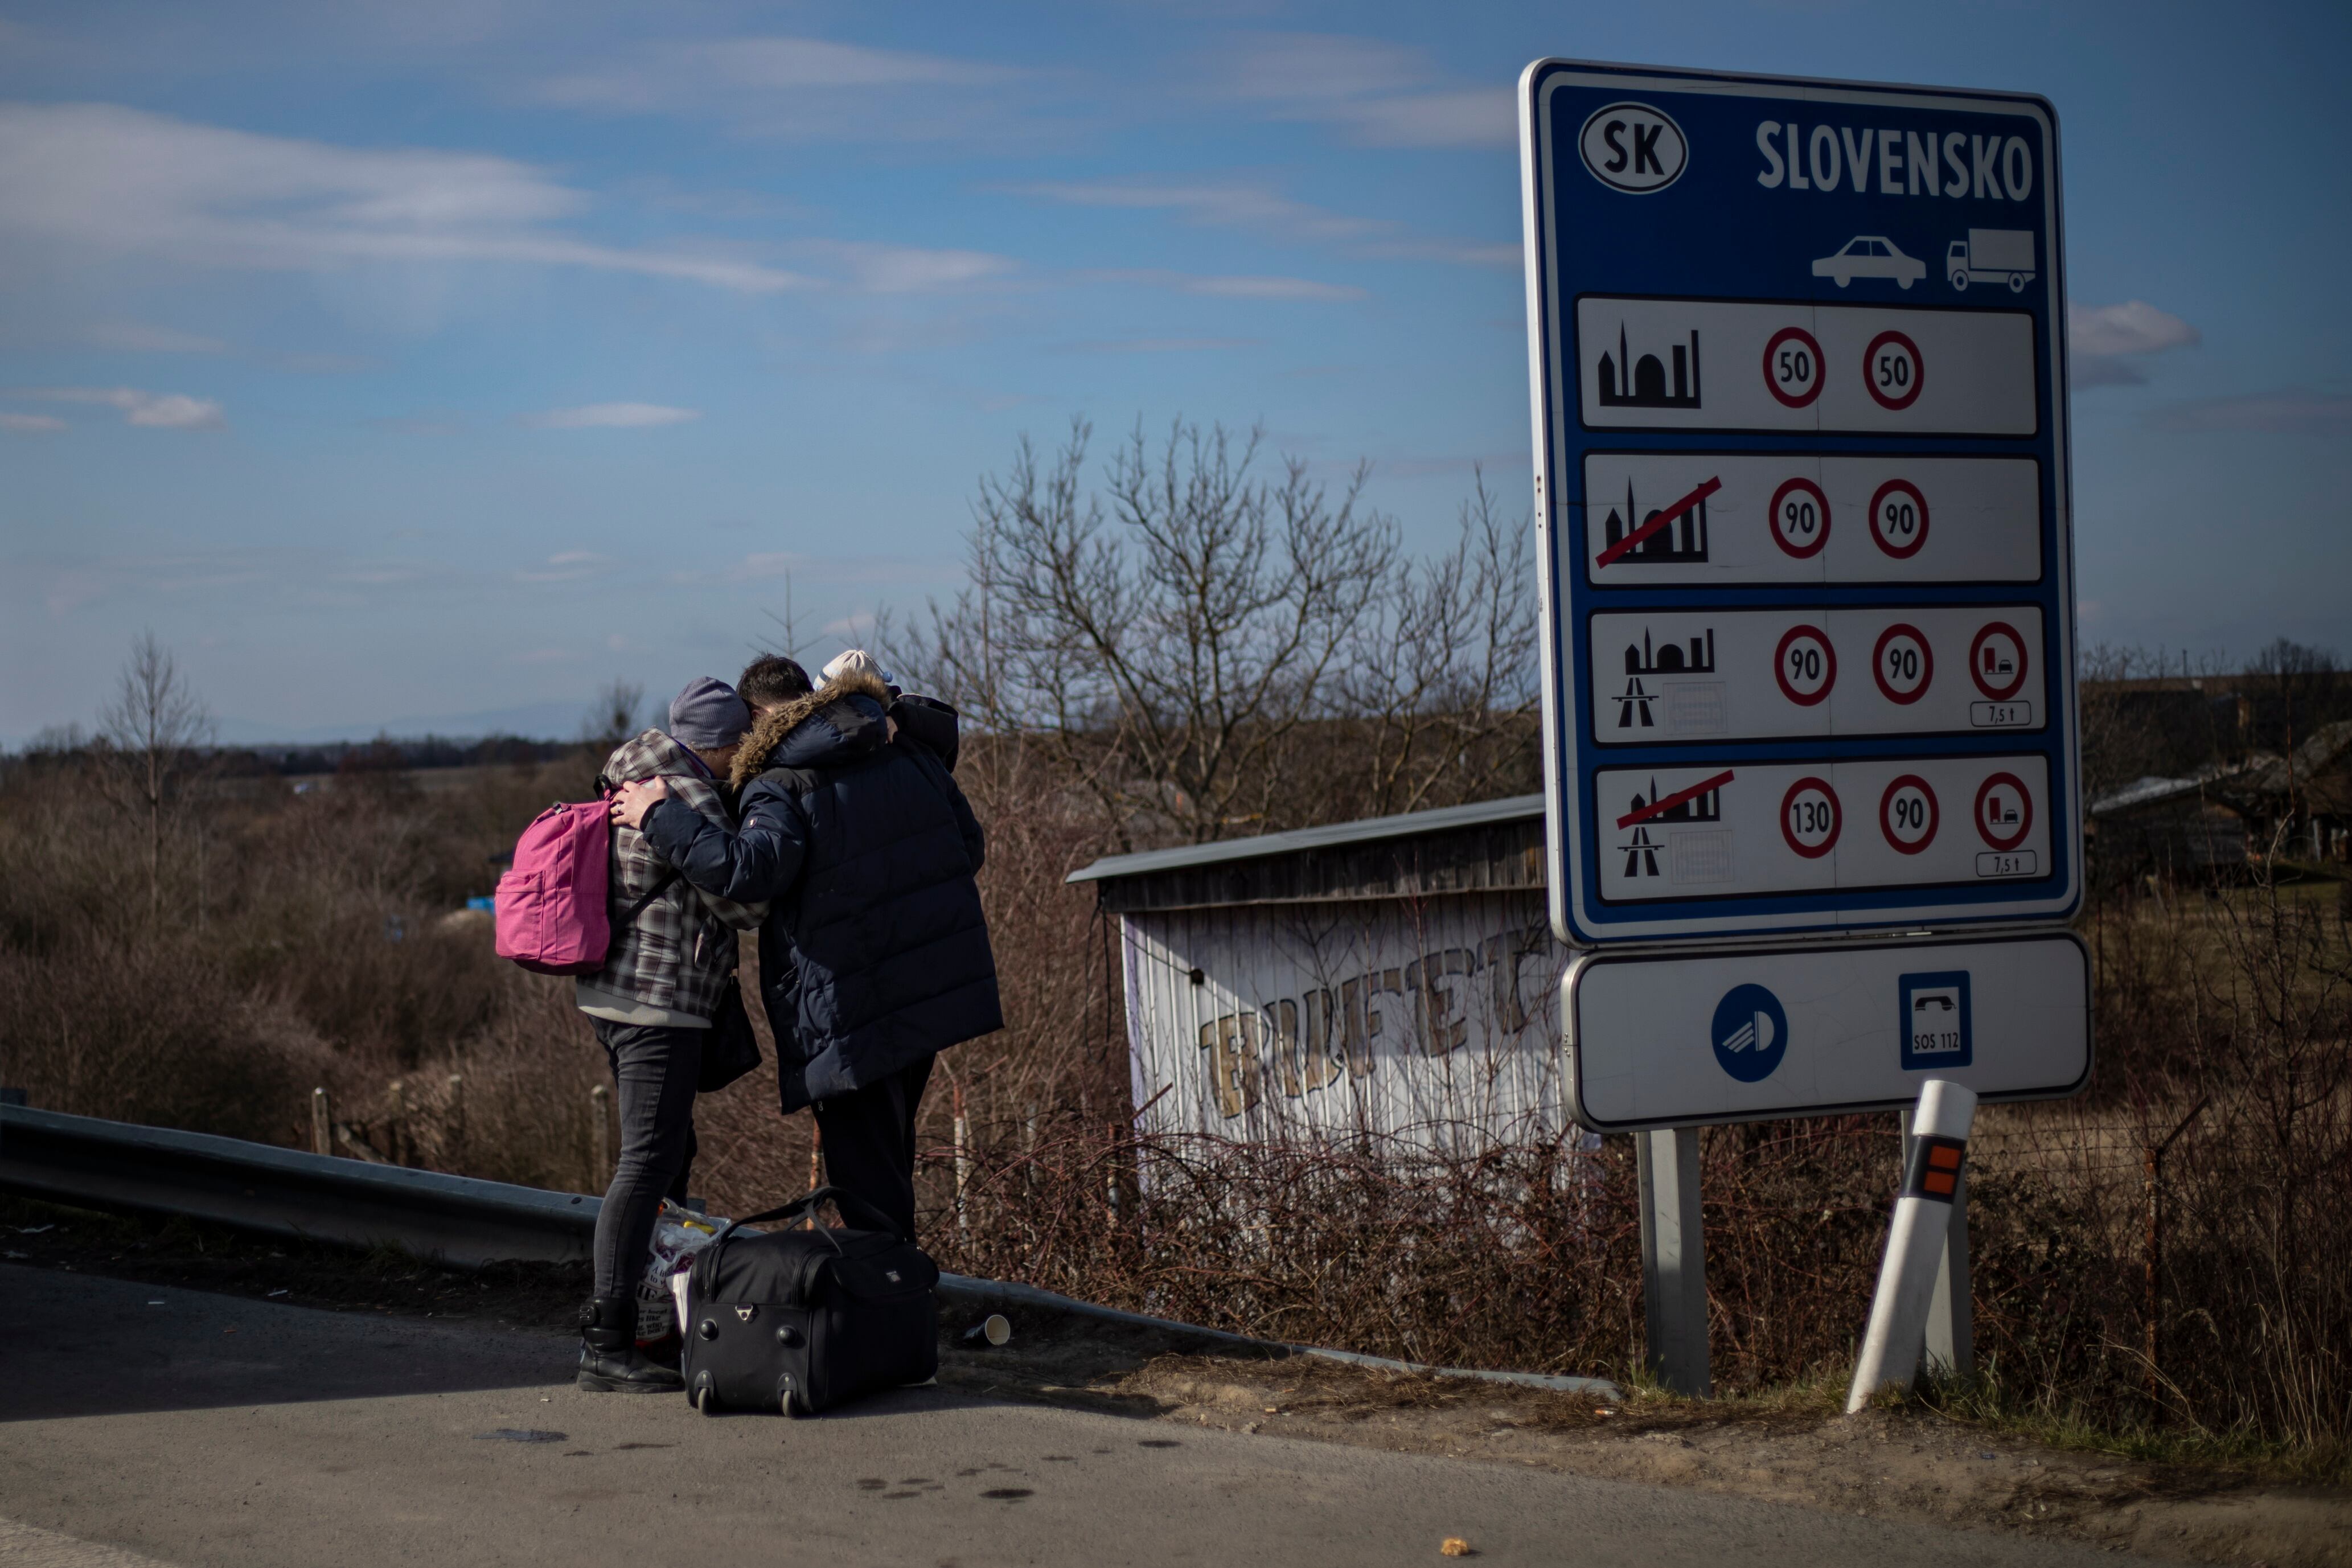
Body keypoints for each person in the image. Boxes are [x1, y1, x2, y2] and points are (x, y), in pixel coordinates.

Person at [610, 654, 999, 1243]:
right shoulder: (904, 752)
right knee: (891, 1161)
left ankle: (890, 1312)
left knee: (865, 1185)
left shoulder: (779, 784)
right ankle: (901, 1300)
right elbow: (965, 849)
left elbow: (749, 873)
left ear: (760, 717)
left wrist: (659, 815)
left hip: (844, 1002)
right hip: (925, 992)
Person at [574, 677, 767, 1394]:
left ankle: (653, 1320)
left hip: (620, 996)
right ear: (720, 744)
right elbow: (740, 903)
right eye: (741, 744)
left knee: (669, 1154)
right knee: (649, 1161)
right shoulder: (687, 793)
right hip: (658, 1004)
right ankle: (608, 1338)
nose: (744, 755)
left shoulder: (635, 772)